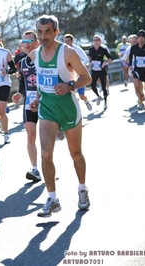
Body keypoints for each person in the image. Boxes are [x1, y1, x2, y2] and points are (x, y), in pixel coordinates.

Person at [28, 15, 92, 218]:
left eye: (48, 31)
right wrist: (37, 98)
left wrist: (70, 85)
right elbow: (41, 80)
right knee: (46, 154)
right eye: (40, 31)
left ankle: (82, 189)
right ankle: (53, 198)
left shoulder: (68, 52)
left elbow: (86, 77)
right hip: (47, 108)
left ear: (56, 32)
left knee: (75, 154)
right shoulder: (35, 54)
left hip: (68, 108)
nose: (43, 35)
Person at [11, 30, 41, 182]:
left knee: (47, 136)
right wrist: (19, 94)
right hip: (29, 100)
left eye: (29, 41)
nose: (26, 44)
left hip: (46, 100)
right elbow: (23, 81)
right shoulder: (22, 63)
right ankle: (35, 169)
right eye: (24, 42)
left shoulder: (44, 58)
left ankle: (48, 164)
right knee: (30, 134)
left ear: (37, 42)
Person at [63, 33, 92, 111]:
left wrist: (77, 66)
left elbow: (86, 59)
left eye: (68, 41)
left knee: (81, 96)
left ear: (72, 41)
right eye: (65, 41)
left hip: (78, 76)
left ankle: (86, 101)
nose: (66, 43)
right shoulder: (62, 50)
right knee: (69, 95)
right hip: (68, 76)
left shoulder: (77, 49)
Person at [126, 29, 145, 111]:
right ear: (138, 38)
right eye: (140, 36)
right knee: (136, 87)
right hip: (136, 70)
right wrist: (130, 65)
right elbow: (131, 57)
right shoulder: (133, 48)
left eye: (143, 37)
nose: (141, 38)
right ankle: (141, 97)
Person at [88, 35, 113, 110]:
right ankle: (98, 96)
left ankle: (105, 102)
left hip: (102, 70)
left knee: (103, 87)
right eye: (94, 40)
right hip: (94, 70)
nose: (95, 42)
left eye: (97, 40)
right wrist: (89, 63)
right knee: (92, 85)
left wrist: (105, 62)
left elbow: (111, 58)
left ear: (100, 41)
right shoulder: (91, 49)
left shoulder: (103, 49)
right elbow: (90, 57)